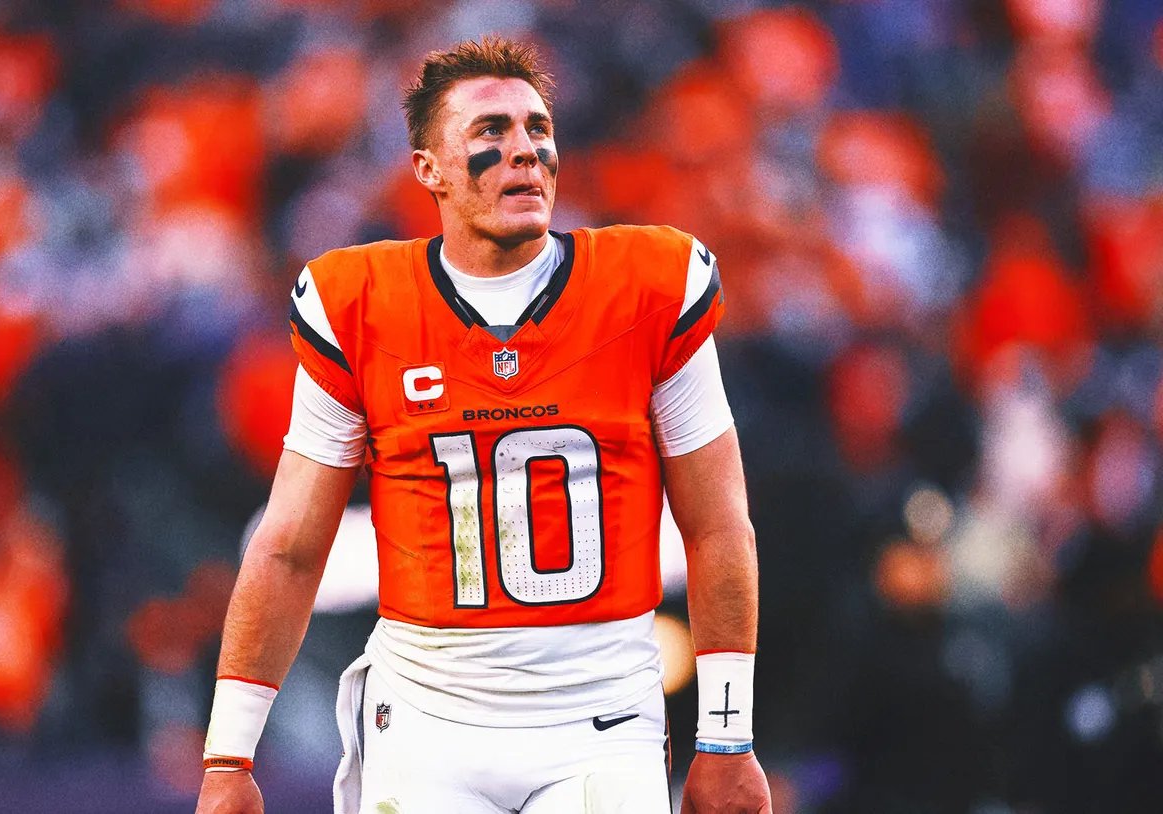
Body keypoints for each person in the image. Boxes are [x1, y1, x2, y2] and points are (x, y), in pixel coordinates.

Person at [196, 36, 772, 814]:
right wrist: (228, 756)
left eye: (538, 129)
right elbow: (291, 548)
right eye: (491, 132)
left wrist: (727, 737)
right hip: (426, 725)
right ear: (429, 168)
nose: (526, 150)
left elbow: (718, 524)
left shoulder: (648, 287)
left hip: (600, 718)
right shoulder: (362, 303)